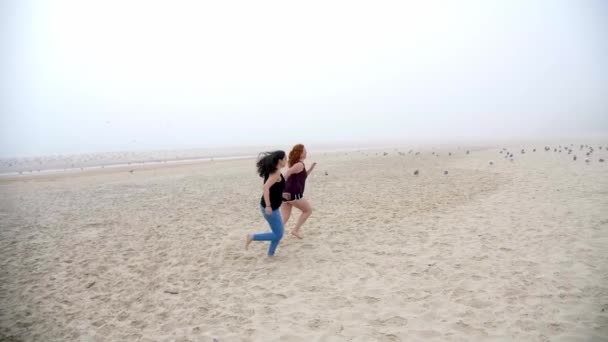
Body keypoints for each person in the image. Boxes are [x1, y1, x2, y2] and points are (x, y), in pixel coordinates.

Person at [245, 151, 287, 256]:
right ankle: (252, 237)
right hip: (270, 208)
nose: (287, 160)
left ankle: (270, 254)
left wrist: (282, 196)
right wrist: (268, 206)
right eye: (285, 158)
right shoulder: (276, 172)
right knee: (278, 234)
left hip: (273, 207)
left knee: (278, 232)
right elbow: (265, 188)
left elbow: (274, 189)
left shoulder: (275, 171)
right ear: (280, 160)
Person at [281, 144, 316, 239]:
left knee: (285, 217)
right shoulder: (299, 164)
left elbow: (303, 177)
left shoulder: (298, 164)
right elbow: (286, 174)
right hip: (293, 194)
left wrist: (310, 169)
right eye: (304, 150)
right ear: (300, 153)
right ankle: (295, 230)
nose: (306, 152)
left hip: (285, 194)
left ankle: (276, 233)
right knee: (308, 210)